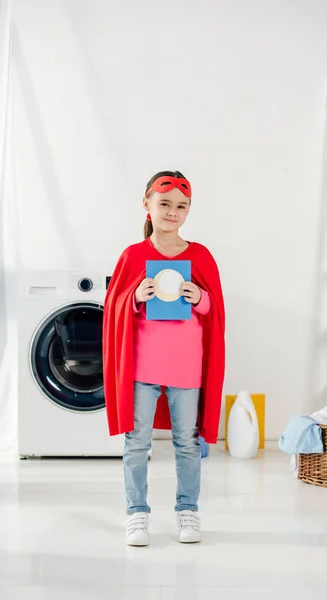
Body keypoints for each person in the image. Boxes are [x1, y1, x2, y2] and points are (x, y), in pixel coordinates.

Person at [103, 170, 225, 546]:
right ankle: (136, 514)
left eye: (181, 206)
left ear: (188, 211)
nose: (173, 212)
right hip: (142, 368)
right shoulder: (133, 256)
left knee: (187, 443)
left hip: (187, 368)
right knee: (136, 443)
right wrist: (135, 297)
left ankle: (188, 510)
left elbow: (216, 311)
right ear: (147, 205)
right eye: (165, 204)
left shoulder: (200, 255)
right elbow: (113, 309)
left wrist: (198, 297)